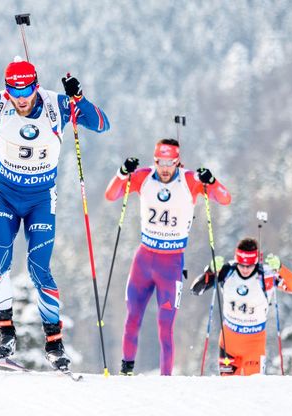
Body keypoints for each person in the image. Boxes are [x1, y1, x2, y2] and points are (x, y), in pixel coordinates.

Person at [0, 57, 110, 369]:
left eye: (27, 92)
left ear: (36, 86)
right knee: (0, 262)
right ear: (7, 90)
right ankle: (5, 333)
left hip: (40, 202)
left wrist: (79, 98)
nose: (21, 99)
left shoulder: (56, 106)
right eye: (14, 92)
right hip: (6, 197)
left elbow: (101, 124)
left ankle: (54, 343)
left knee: (39, 269)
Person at [104, 139, 231, 375]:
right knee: (132, 318)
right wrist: (122, 173)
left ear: (177, 161)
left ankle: (165, 380)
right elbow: (111, 195)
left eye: (170, 163)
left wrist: (212, 181)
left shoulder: (190, 180)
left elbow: (225, 198)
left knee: (165, 326)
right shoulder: (143, 177)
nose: (164, 168)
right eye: (160, 162)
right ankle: (125, 371)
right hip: (143, 260)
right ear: (155, 161)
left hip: (171, 264)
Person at [190, 237, 292, 376]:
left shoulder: (266, 275)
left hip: (254, 346)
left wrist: (280, 268)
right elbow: (195, 289)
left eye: (249, 266)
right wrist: (210, 271)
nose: (245, 269)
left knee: (254, 391)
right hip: (229, 344)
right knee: (228, 389)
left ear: (256, 262)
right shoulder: (226, 271)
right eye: (241, 265)